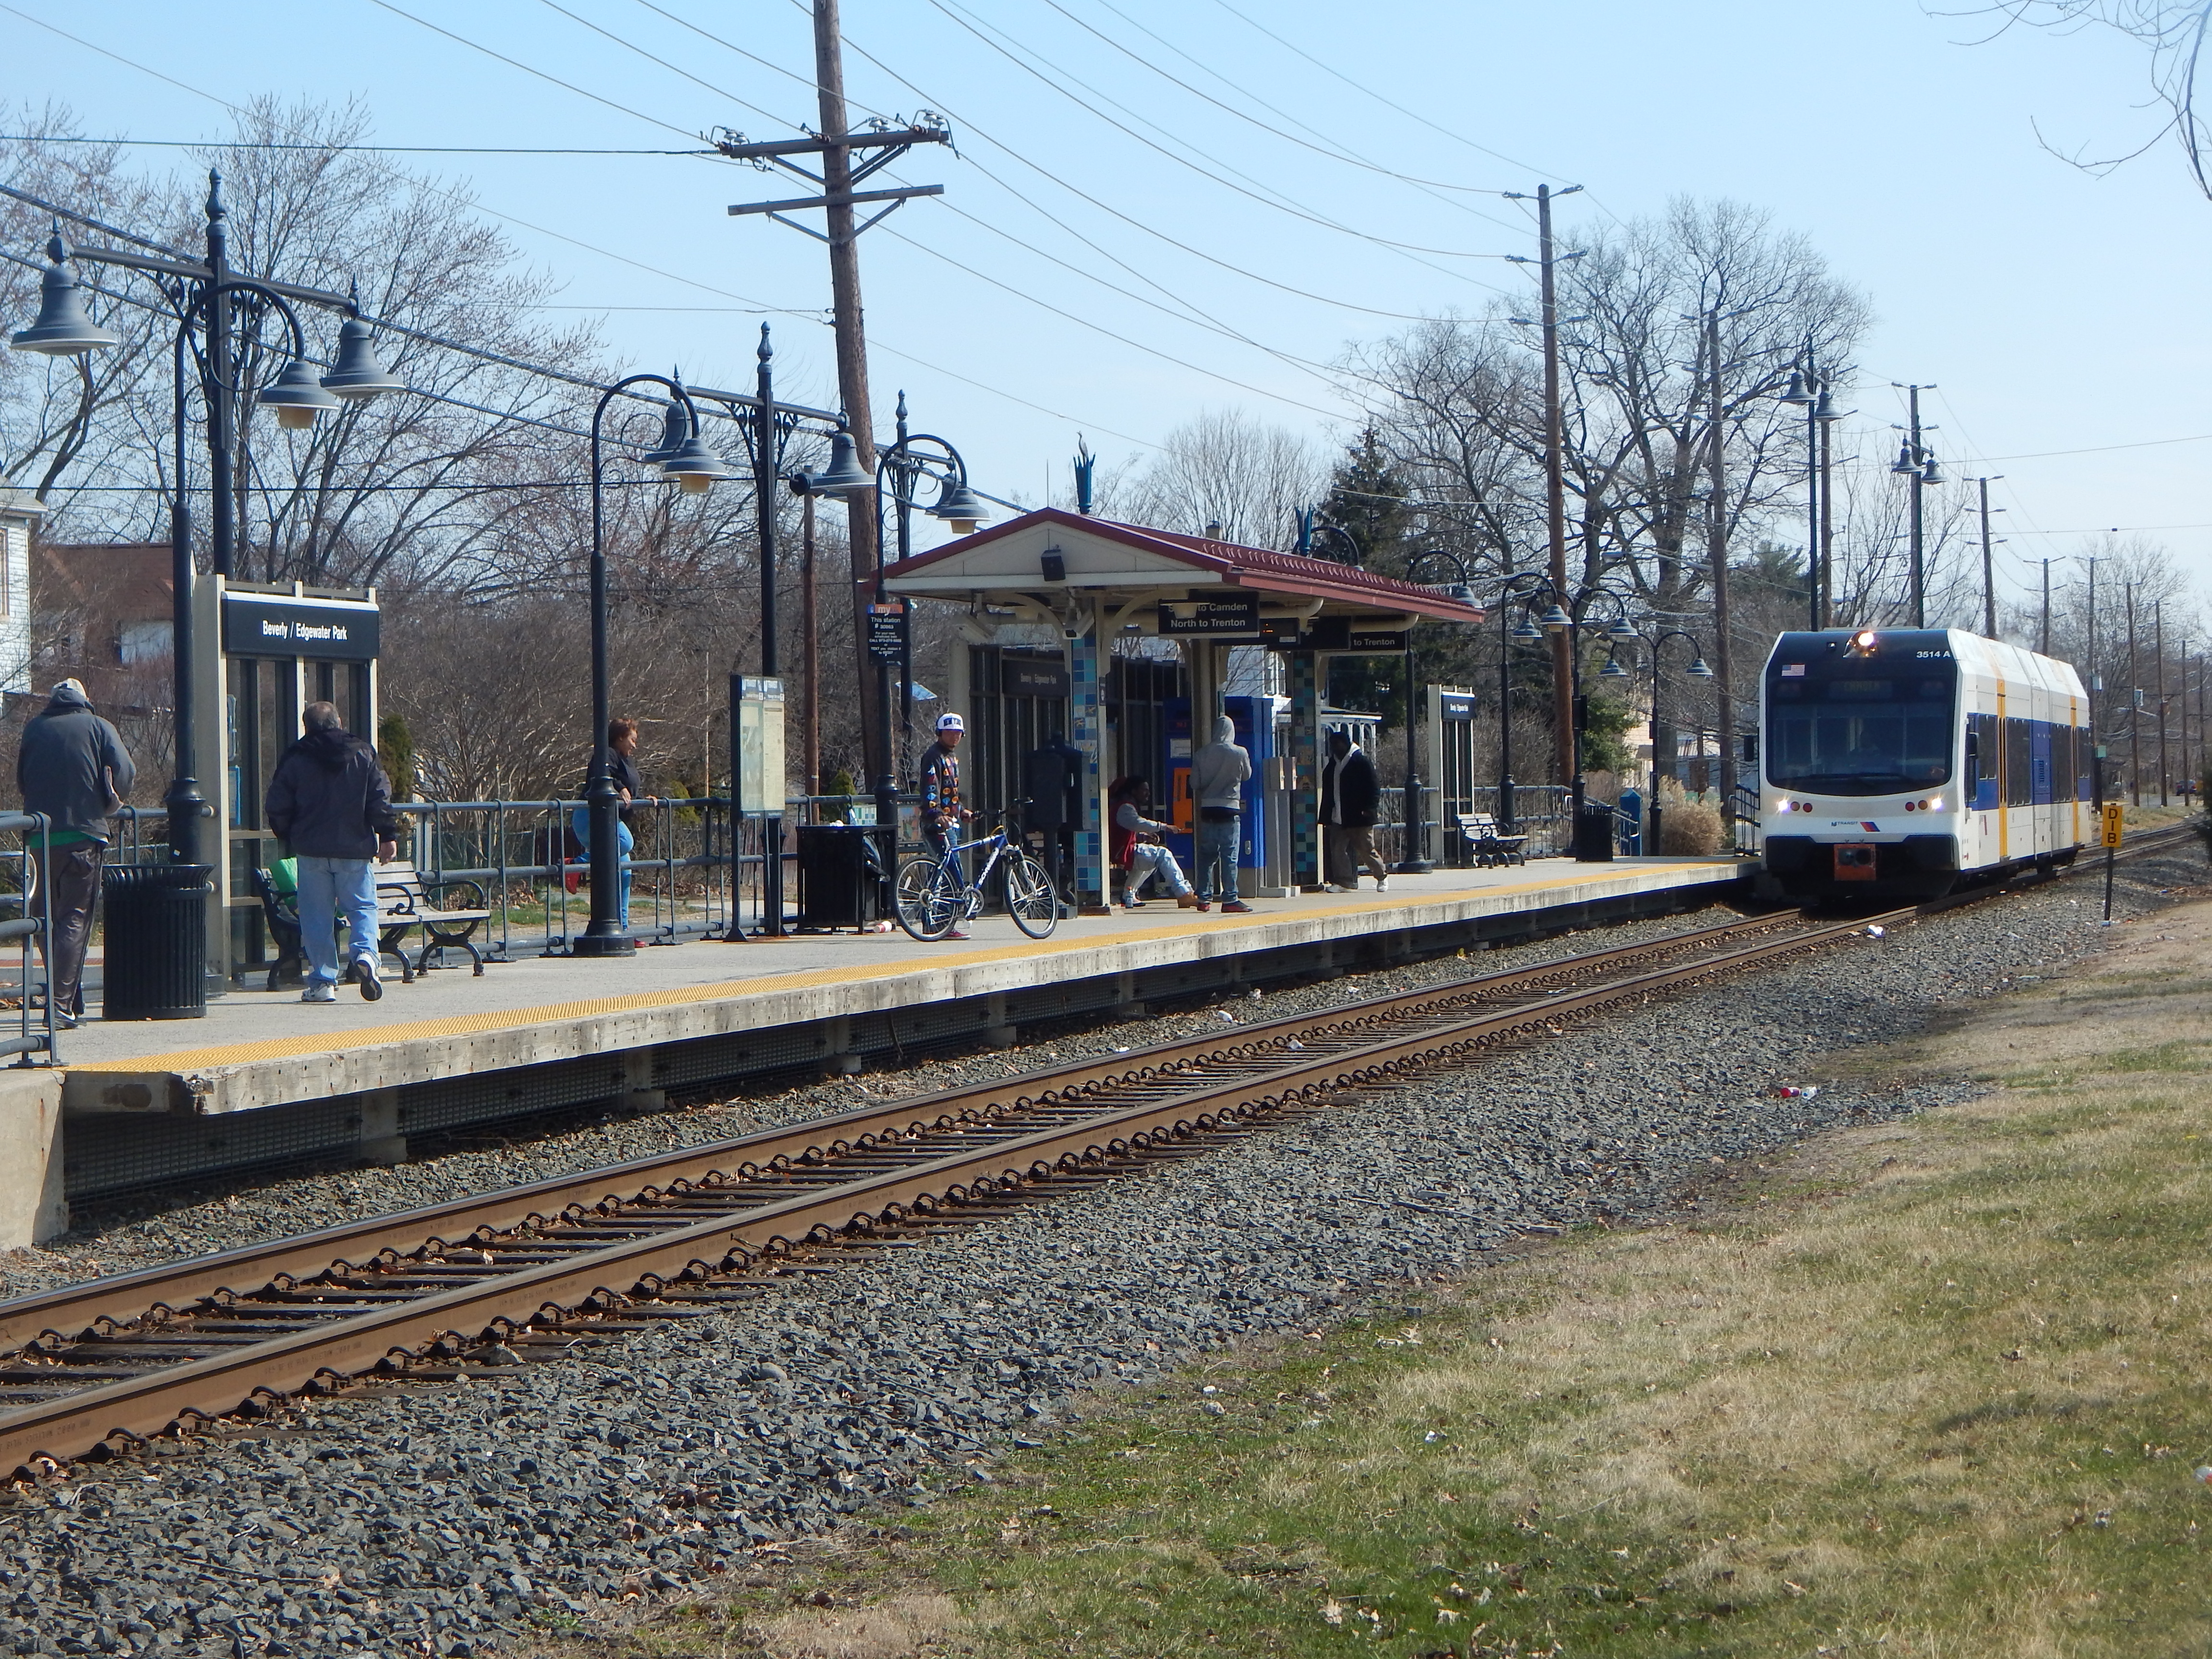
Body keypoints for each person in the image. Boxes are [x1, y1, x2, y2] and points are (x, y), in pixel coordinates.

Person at [16, 679, 134, 1026]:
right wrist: (111, 799)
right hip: (84, 834)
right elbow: (125, 771)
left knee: (44, 920)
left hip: (39, 838)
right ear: (86, 699)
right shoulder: (99, 727)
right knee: (75, 918)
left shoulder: (35, 728)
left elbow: (23, 780)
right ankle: (61, 1003)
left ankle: (62, 992)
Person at [266, 701, 399, 1003]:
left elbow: (277, 802)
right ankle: (366, 957)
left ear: (307, 726)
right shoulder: (363, 753)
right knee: (362, 908)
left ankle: (323, 982)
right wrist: (388, 835)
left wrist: (288, 833)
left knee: (317, 918)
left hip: (311, 850)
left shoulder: (296, 757)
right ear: (339, 722)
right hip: (354, 849)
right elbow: (380, 797)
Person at [569, 718, 651, 932]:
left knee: (625, 874)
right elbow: (602, 776)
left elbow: (630, 789)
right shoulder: (606, 754)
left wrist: (645, 798)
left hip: (611, 819)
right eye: (632, 740)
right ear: (621, 738)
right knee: (625, 842)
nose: (635, 745)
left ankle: (622, 929)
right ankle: (575, 865)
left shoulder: (627, 760)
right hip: (591, 816)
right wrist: (618, 786)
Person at [1108, 776, 1205, 910]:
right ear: (1133, 791)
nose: (1147, 794)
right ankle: (1183, 893)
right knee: (1162, 854)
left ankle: (1128, 895)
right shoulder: (1125, 807)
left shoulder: (1120, 806)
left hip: (1121, 850)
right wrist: (1164, 827)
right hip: (1121, 852)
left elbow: (1127, 829)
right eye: (1144, 790)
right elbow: (1137, 823)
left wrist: (1143, 837)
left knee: (1150, 858)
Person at [1189, 713, 1253, 912]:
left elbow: (1194, 784)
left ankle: (1204, 898)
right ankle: (1230, 898)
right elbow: (1247, 776)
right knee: (1230, 856)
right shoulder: (1240, 752)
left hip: (1207, 809)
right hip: (1229, 809)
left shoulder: (1201, 754)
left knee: (1207, 856)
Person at [917, 711, 970, 940]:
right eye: (949, 732)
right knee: (948, 869)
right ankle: (940, 923)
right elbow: (931, 788)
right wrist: (936, 813)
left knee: (940, 869)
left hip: (950, 821)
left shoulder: (951, 758)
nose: (954, 737)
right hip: (937, 823)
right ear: (940, 733)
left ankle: (937, 923)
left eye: (958, 733)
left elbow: (951, 792)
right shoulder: (933, 757)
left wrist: (961, 811)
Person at [1320, 728, 1387, 893]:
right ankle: (1344, 882)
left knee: (1366, 848)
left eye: (1339, 744)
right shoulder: (1332, 764)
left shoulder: (1361, 761)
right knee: (1337, 850)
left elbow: (1373, 788)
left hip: (1359, 816)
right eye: (1333, 745)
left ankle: (1382, 877)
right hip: (1338, 815)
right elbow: (1329, 791)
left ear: (1346, 743)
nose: (1336, 748)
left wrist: (1369, 809)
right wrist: (1326, 815)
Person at [1022, 727, 1082, 906]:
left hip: (1063, 814)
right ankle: (1052, 893)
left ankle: (1058, 890)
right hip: (1051, 813)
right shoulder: (1046, 763)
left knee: (1064, 850)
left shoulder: (1062, 761)